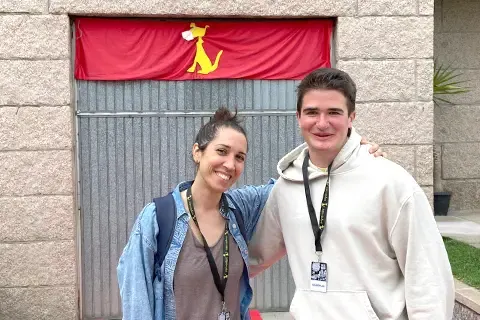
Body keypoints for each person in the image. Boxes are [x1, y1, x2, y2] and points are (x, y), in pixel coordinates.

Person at [117, 106, 383, 320]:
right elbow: (136, 298)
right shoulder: (158, 218)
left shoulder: (239, 208)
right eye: (221, 151)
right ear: (197, 152)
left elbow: (292, 181)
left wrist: (348, 153)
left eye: (240, 157)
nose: (230, 164)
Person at [248, 68, 455, 319]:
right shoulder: (286, 186)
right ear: (298, 117)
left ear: (351, 117)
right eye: (312, 112)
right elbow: (256, 256)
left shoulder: (389, 181)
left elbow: (427, 276)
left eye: (334, 112)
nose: (322, 123)